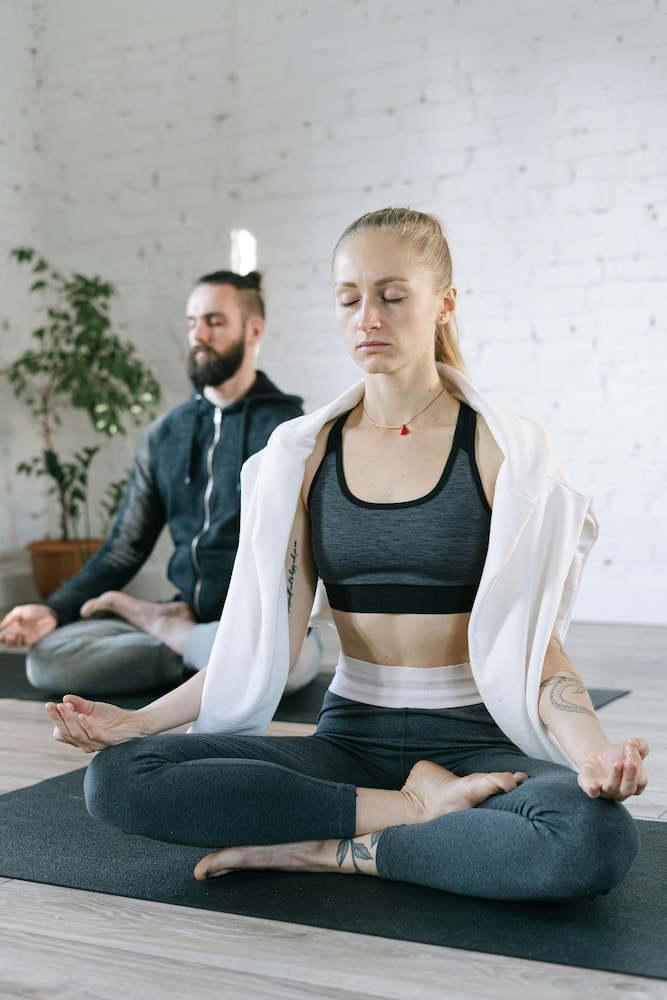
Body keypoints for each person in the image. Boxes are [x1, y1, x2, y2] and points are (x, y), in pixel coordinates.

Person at [46, 208, 647, 902]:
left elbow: (537, 651)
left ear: (444, 304)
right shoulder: (303, 456)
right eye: (348, 297)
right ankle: (411, 812)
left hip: (475, 745)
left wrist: (594, 757)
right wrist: (138, 722)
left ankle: (330, 851)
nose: (368, 316)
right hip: (348, 741)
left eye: (392, 295)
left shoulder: (498, 451)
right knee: (119, 777)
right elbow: (258, 639)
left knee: (593, 838)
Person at [1, 269, 321, 696]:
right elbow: (124, 546)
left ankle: (190, 646)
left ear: (254, 329)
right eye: (192, 323)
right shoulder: (165, 435)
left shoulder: (288, 432)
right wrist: (52, 610)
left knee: (293, 668)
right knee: (48, 663)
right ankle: (205, 657)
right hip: (185, 611)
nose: (199, 335)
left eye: (214, 321)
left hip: (264, 622)